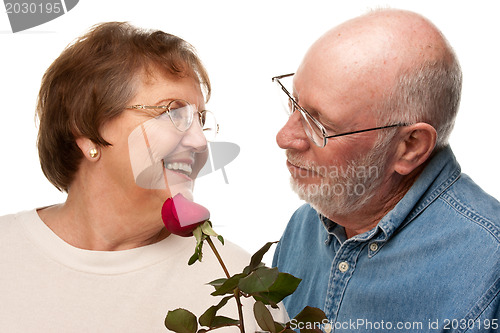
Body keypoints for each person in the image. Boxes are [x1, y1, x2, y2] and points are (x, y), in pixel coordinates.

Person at [0, 22, 285, 332]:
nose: (201, 142)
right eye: (174, 114)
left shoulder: (241, 285)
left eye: (199, 120)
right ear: (87, 133)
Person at [272, 8, 500, 332]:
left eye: (318, 122)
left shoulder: (490, 271)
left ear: (410, 146)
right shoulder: (304, 226)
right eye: (294, 103)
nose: (284, 137)